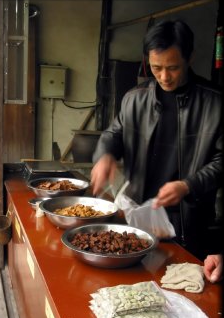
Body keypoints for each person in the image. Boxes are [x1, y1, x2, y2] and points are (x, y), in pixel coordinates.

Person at [91, 19, 222, 261]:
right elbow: (114, 133)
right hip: (139, 216)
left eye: (172, 67)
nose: (164, 76)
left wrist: (189, 185)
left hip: (188, 221)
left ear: (189, 58)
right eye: (155, 67)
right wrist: (105, 155)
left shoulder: (214, 103)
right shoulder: (135, 99)